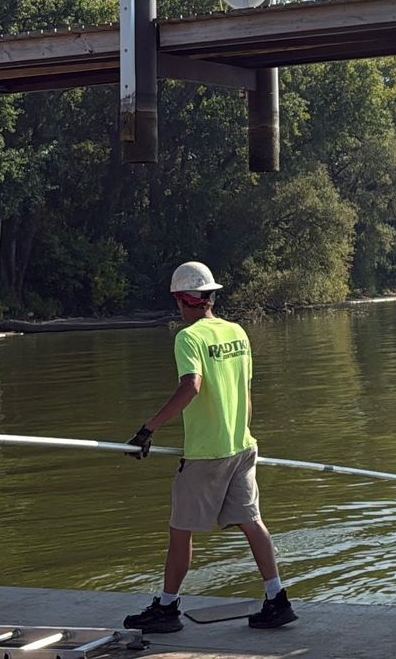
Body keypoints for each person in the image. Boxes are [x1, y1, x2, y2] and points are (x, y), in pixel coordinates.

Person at [122, 261, 297, 633]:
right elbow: (247, 396)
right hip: (242, 446)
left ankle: (167, 609)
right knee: (252, 523)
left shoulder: (188, 338)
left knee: (180, 530)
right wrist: (237, 432)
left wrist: (147, 429)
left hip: (206, 455)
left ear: (183, 300)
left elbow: (192, 386)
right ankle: (277, 599)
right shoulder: (238, 333)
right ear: (210, 297)